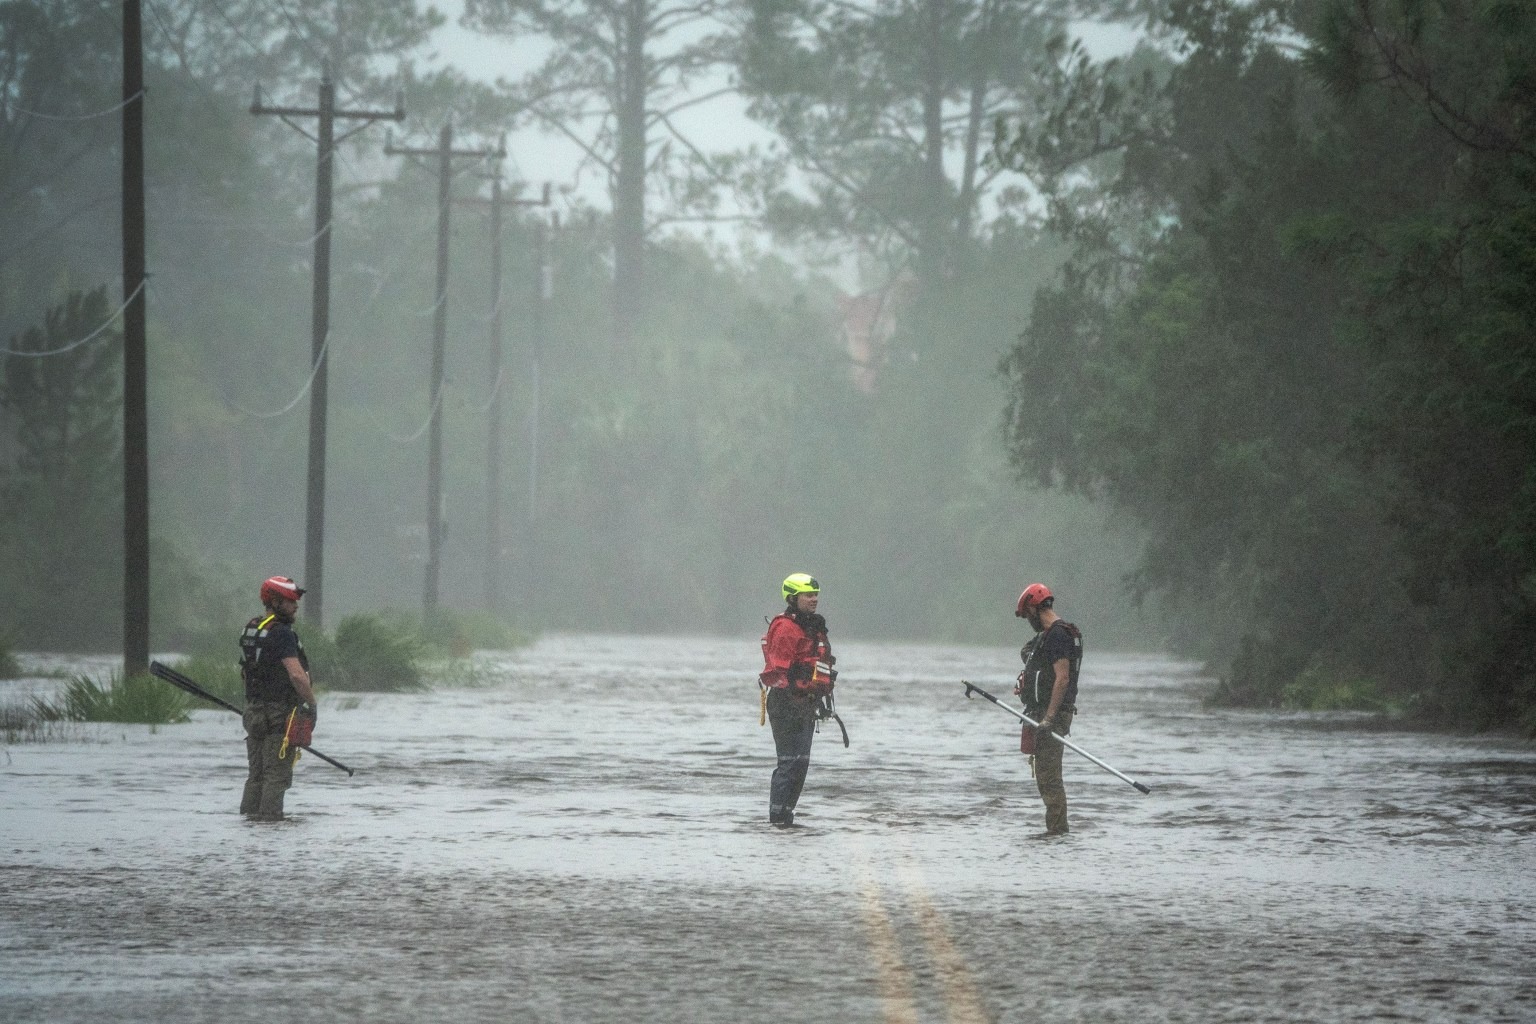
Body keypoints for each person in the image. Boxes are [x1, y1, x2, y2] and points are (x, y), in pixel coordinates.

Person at [758, 572, 837, 826]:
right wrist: (793, 698)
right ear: (793, 597)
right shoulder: (785, 628)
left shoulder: (812, 627)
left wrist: (815, 698)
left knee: (800, 766)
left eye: (815, 594)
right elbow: (777, 672)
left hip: (806, 704)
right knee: (789, 764)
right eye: (808, 595)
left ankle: (786, 817)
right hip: (785, 703)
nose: (814, 599)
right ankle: (777, 820)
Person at [238, 575, 318, 821]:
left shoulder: (253, 628)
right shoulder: (282, 633)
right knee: (277, 776)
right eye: (290, 601)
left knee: (257, 775)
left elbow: (246, 672)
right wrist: (312, 704)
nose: (295, 606)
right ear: (274, 601)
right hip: (278, 715)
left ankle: (249, 823)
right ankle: (271, 829)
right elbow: (296, 675)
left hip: (253, 713)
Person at [1013, 583, 1083, 835]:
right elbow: (1031, 655)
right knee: (1045, 778)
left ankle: (1057, 836)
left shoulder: (1058, 635)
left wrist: (1049, 719)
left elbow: (1062, 679)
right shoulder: (1049, 635)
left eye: (1026, 614)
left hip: (1051, 716)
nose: (1028, 620)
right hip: (1041, 713)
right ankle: (1055, 833)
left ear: (1034, 607)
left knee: (1050, 780)